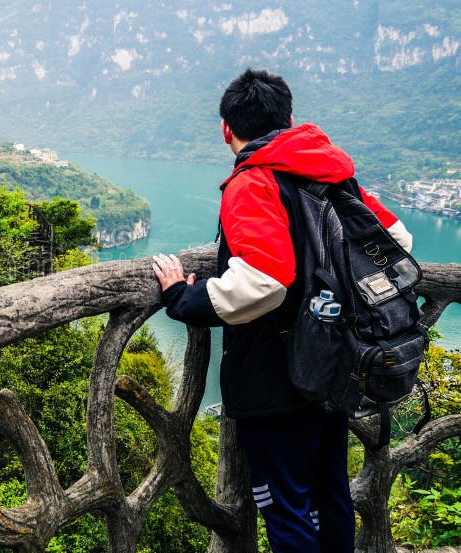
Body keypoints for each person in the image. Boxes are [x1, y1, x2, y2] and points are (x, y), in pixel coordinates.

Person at [151, 68, 413, 553]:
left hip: (276, 376)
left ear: (226, 129)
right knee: (328, 495)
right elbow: (397, 241)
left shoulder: (252, 183)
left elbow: (265, 283)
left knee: (288, 509)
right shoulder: (330, 172)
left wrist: (181, 297)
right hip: (335, 362)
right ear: (289, 119)